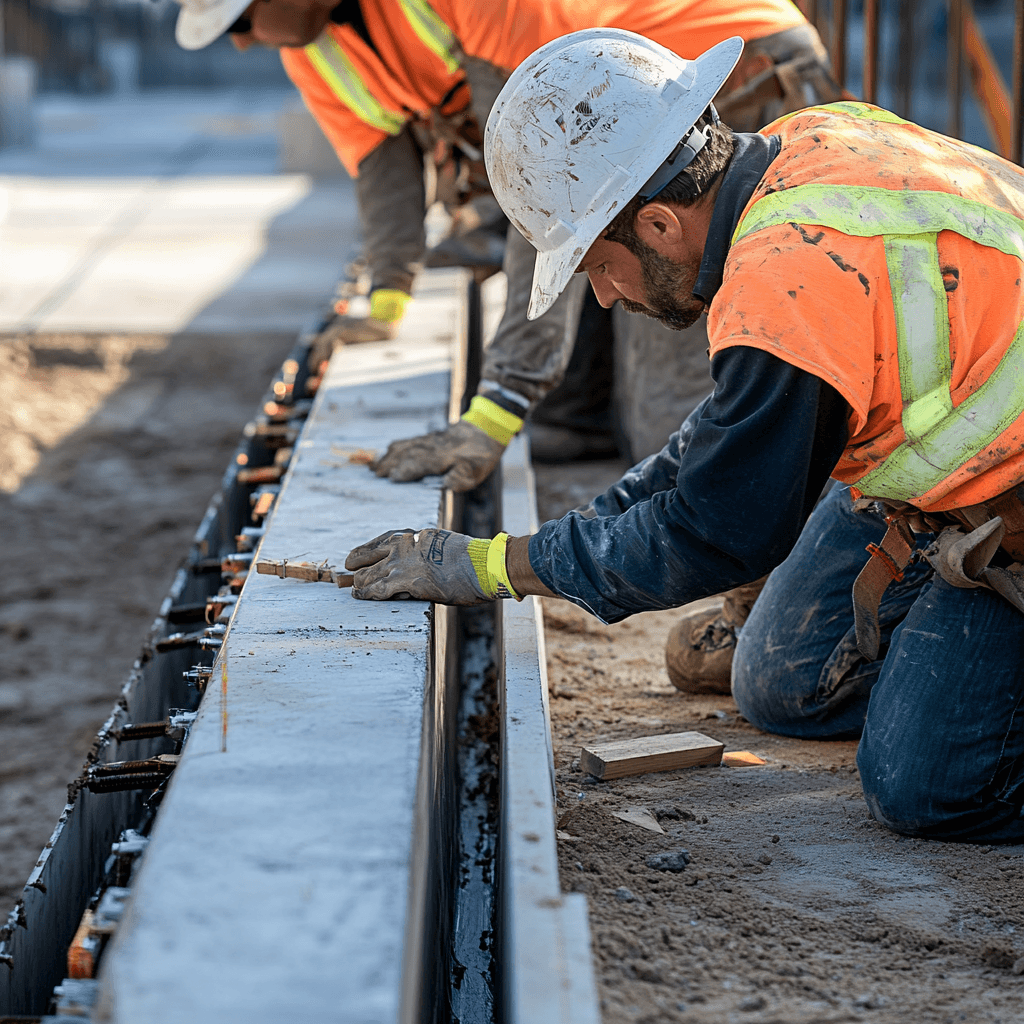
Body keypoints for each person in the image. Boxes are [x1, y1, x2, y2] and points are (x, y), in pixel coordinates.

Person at [344, 29, 1024, 843]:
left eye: (598, 265)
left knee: (927, 787)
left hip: (1006, 507)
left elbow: (718, 530)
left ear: (660, 226)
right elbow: (719, 443)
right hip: (949, 471)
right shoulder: (804, 144)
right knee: (779, 683)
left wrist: (495, 566)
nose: (601, 297)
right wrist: (594, 521)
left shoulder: (787, 285)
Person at [170, 0, 844, 689]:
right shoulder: (312, 47)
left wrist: (497, 408)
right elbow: (385, 172)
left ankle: (772, 603)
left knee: (677, 390)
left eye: (240, 22)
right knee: (591, 381)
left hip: (700, 89)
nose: (246, 44)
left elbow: (551, 208)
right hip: (610, 127)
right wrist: (386, 299)